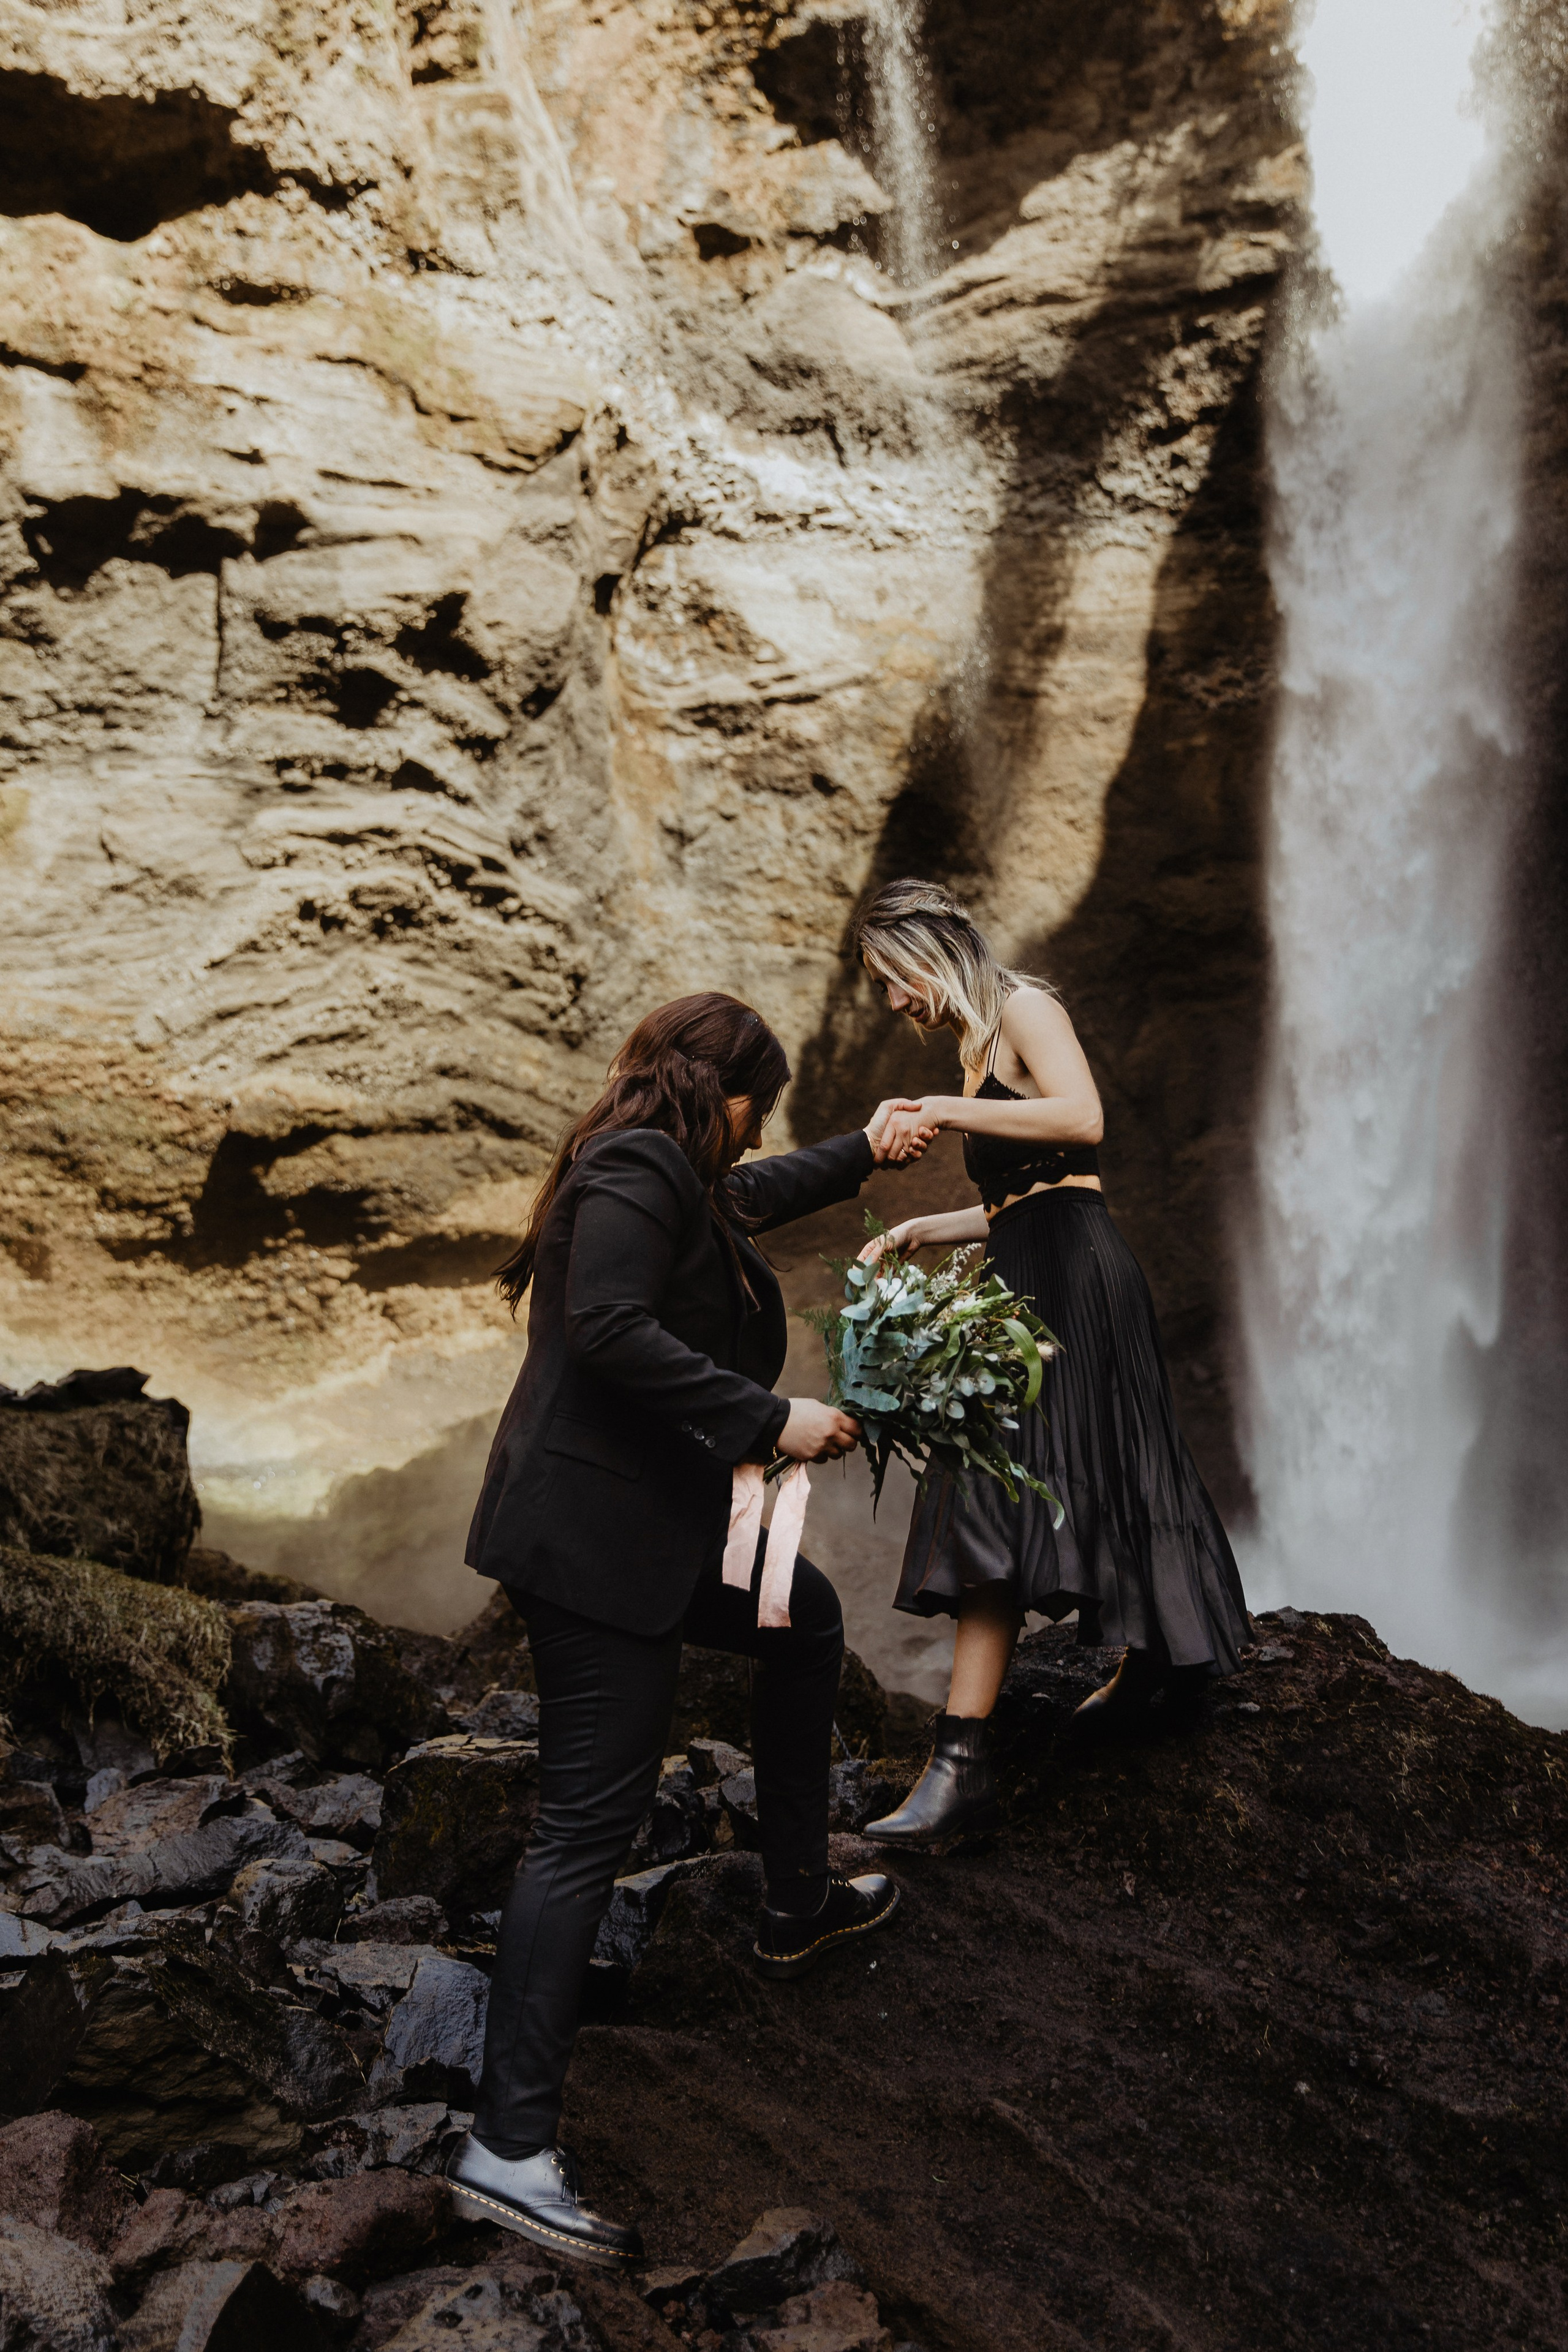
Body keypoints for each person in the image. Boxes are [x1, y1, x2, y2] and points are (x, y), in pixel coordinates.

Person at [446, 992, 922, 2270]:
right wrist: (771, 1419)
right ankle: (505, 2147)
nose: (750, 1132)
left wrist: (867, 1150)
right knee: (582, 1831)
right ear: (714, 1095)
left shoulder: (670, 1171)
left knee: (800, 1619)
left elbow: (752, 1197)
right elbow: (604, 1329)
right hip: (594, 1554)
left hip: (636, 1538)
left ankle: (795, 1902)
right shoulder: (637, 1166)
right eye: (752, 1108)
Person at [850, 878, 1251, 1852]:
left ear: (931, 948)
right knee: (1023, 1477)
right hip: (1029, 1262)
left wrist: (944, 1111)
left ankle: (967, 1766)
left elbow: (1082, 1125)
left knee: (1023, 1472)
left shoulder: (1026, 1006)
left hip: (1077, 1273)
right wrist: (919, 1231)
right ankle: (1154, 1671)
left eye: (892, 978)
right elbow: (1016, 1204)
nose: (893, 1002)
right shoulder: (971, 1047)